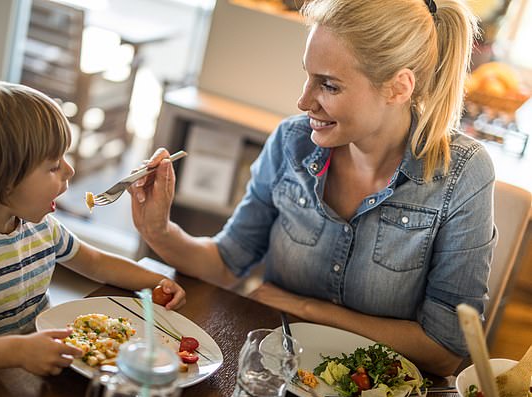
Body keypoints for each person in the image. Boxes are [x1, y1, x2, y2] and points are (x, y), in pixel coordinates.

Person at [130, 0, 495, 376]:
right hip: (274, 376)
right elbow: (226, 264)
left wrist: (305, 309)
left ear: (398, 87)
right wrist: (158, 230)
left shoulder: (463, 173)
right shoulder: (292, 141)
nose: (303, 102)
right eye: (308, 76)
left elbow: (445, 349)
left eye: (329, 85)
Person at [0, 80, 185, 377]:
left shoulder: (41, 229)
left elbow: (97, 263)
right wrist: (19, 351)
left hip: (35, 366)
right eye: (53, 166)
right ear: (0, 180)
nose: (70, 170)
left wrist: (154, 280)